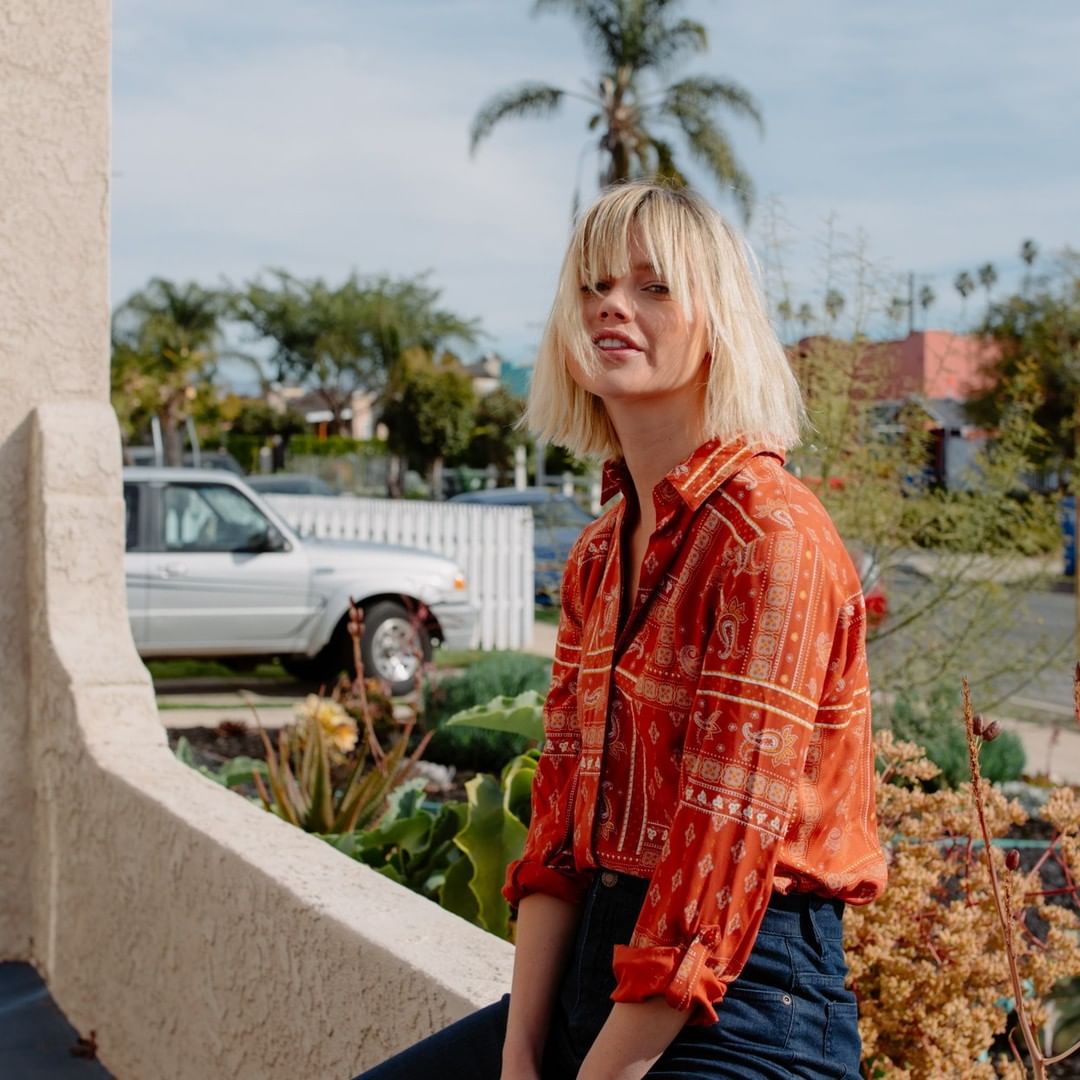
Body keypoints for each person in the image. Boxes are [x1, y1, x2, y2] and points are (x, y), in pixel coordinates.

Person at [354, 180, 887, 1080]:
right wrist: (521, 1052)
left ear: (719, 320)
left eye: (654, 286)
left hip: (748, 1004)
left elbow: (714, 870)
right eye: (594, 285)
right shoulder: (600, 555)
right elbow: (558, 835)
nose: (612, 304)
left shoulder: (771, 539)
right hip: (593, 976)